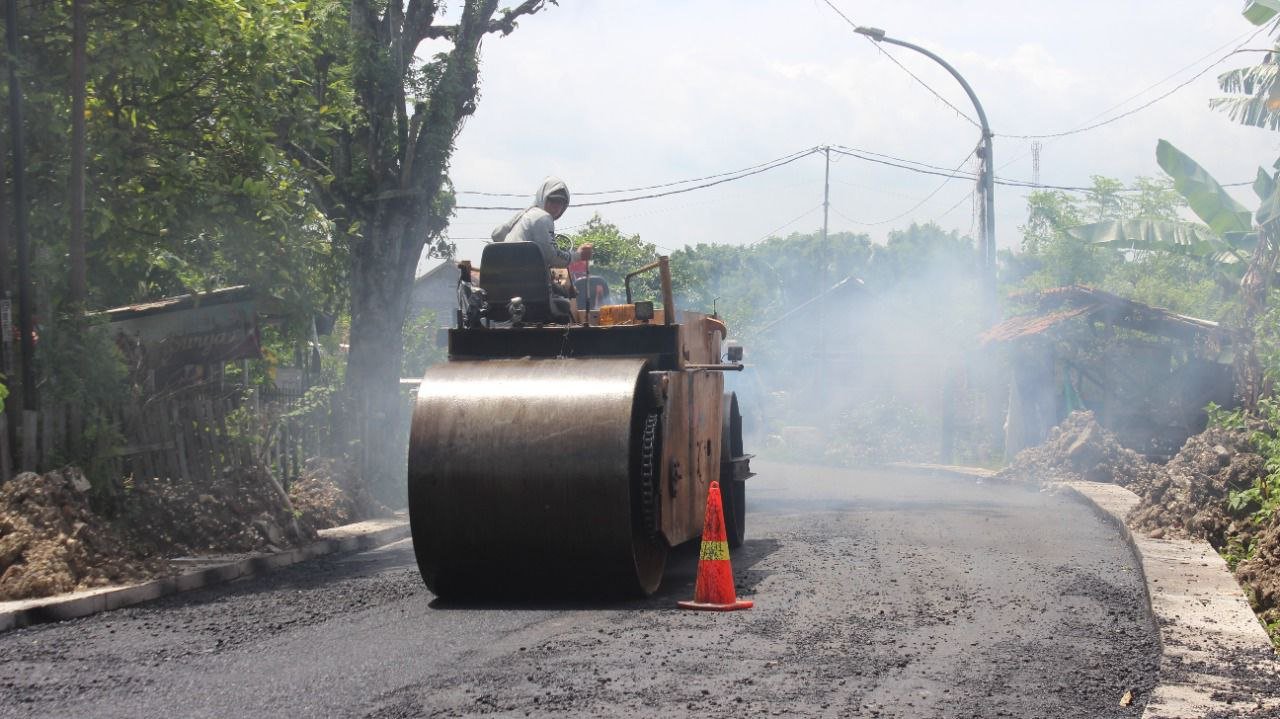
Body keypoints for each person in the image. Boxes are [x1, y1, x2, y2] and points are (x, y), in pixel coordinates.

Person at [492, 176, 592, 270]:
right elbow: (552, 257)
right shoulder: (544, 217)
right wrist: (577, 255)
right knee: (560, 289)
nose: (556, 206)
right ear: (542, 198)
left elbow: (496, 234)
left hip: (502, 276)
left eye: (560, 202)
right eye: (552, 200)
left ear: (564, 205)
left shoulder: (524, 214)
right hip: (525, 280)